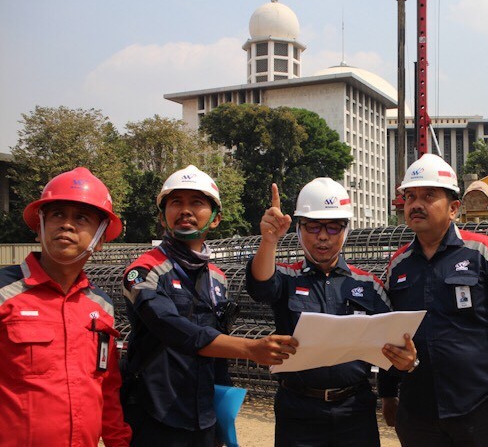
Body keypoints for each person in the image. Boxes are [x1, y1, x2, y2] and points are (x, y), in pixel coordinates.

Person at [121, 165, 298, 446]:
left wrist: (220, 417)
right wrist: (250, 348)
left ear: (216, 219)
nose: (186, 210)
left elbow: (217, 356)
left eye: (197, 203)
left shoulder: (217, 278)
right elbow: (171, 327)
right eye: (176, 202)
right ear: (162, 216)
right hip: (154, 415)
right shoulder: (145, 271)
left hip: (204, 417)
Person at [378, 153, 488, 447]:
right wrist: (388, 393)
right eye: (410, 197)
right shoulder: (397, 265)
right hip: (419, 410)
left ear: (453, 208)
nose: (416, 204)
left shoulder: (483, 253)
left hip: (481, 407)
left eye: (428, 196)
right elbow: (387, 331)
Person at [247, 177, 418, 446]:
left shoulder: (368, 285)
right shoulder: (286, 277)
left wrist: (399, 375)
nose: (323, 236)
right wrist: (268, 241)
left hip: (355, 410)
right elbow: (260, 287)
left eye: (333, 227)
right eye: (313, 227)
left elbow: (393, 340)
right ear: (300, 229)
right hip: (297, 411)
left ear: (346, 230)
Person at [0, 167, 132, 446]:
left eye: (81, 218)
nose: (67, 225)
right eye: (58, 214)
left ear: (100, 240)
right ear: (39, 228)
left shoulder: (101, 307)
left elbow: (106, 388)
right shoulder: (4, 293)